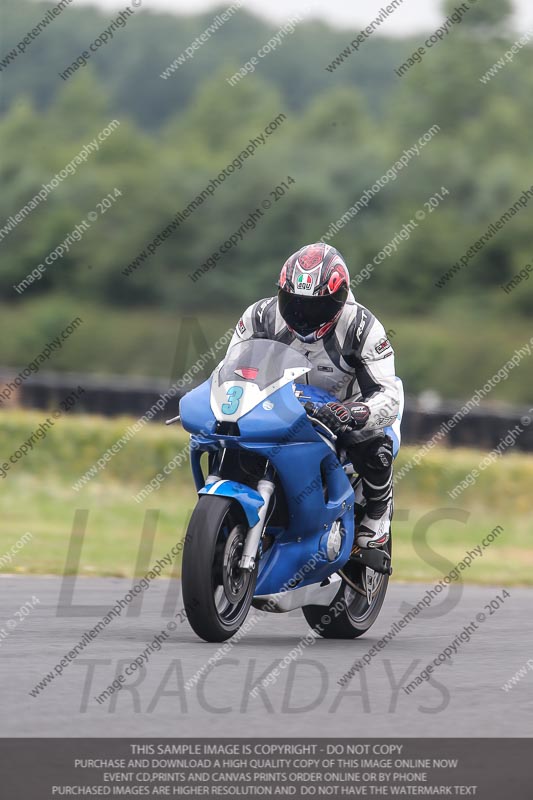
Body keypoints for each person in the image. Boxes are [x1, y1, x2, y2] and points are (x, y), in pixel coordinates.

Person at [229, 242, 400, 551]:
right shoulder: (259, 316)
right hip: (280, 406)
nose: (304, 315)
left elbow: (389, 393)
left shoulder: (361, 328)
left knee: (370, 440)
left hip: (346, 410)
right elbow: (230, 371)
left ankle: (378, 511)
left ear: (341, 298)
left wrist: (353, 414)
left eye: (316, 307)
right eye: (294, 303)